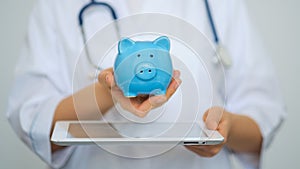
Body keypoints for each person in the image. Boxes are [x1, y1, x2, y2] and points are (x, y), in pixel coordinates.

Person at [7, 0, 286, 169]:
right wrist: (107, 94)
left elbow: (261, 116)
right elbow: (34, 121)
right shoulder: (57, 6)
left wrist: (227, 127)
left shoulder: (219, 4)